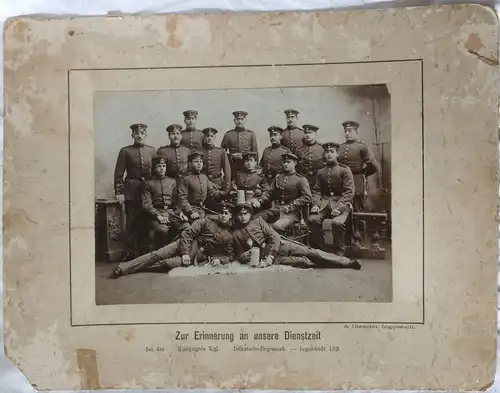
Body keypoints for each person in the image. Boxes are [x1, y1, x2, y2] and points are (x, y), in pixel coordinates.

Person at [109, 202, 235, 278]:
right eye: (221, 212)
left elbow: (229, 255)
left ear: (230, 216)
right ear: (218, 213)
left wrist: (218, 259)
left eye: (226, 213)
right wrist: (185, 252)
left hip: (194, 256)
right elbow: (187, 233)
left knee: (166, 264)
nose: (223, 215)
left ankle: (136, 267)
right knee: (156, 255)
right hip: (182, 244)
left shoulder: (229, 235)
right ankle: (123, 268)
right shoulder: (206, 221)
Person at [231, 203, 361, 269]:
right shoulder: (236, 234)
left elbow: (274, 237)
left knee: (311, 252)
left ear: (250, 214)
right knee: (304, 262)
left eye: (246, 214)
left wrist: (270, 255)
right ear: (236, 216)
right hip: (272, 259)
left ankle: (347, 263)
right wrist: (244, 256)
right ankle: (332, 264)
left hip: (281, 247)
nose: (243, 217)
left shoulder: (258, 221)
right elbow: (239, 254)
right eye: (240, 214)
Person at [113, 123, 157, 260]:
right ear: (132, 135)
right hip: (131, 190)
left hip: (147, 191)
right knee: (131, 221)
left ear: (146, 135)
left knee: (146, 220)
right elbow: (118, 174)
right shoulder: (125, 151)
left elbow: (156, 173)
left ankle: (144, 251)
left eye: (142, 133)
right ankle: (130, 252)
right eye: (137, 133)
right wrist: (119, 192)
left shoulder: (152, 151)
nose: (140, 135)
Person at [308, 142, 355, 254]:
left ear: (337, 154)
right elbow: (317, 190)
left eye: (332, 152)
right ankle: (322, 249)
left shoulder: (344, 170)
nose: (329, 154)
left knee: (337, 223)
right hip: (324, 203)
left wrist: (339, 207)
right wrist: (316, 204)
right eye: (327, 152)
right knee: (313, 220)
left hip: (341, 203)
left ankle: (339, 250)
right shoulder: (321, 171)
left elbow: (349, 192)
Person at [252, 152, 312, 233]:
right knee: (255, 220)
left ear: (295, 163)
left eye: (288, 162)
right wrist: (261, 201)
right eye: (284, 162)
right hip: (276, 209)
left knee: (277, 226)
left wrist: (291, 206)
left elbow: (307, 197)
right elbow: (270, 193)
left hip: (291, 213)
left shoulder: (301, 179)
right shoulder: (278, 177)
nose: (285, 164)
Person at [177, 151, 229, 225]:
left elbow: (212, 192)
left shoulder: (204, 177)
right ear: (190, 163)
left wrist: (225, 193)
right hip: (190, 211)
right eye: (196, 161)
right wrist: (191, 211)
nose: (199, 163)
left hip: (202, 209)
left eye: (200, 161)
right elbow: (182, 199)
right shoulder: (185, 179)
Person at [337, 120, 378, 212]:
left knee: (357, 207)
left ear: (357, 132)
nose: (347, 133)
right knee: (341, 207)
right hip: (341, 181)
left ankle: (358, 226)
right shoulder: (340, 147)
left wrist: (362, 173)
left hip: (356, 180)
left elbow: (373, 166)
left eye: (350, 131)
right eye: (345, 131)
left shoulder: (362, 147)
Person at [141, 155, 180, 249]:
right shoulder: (148, 183)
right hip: (155, 215)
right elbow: (147, 205)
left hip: (171, 213)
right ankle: (159, 252)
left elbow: (177, 202)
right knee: (162, 230)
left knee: (186, 226)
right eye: (159, 166)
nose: (162, 169)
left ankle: (177, 250)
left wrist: (180, 212)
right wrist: (158, 216)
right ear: (154, 168)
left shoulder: (172, 182)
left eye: (164, 166)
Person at [220, 110, 258, 178]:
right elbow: (221, 153)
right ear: (234, 120)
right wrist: (231, 156)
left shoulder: (251, 134)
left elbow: (255, 153)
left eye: (242, 119)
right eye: (237, 119)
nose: (239, 121)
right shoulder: (228, 135)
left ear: (246, 120)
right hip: (232, 167)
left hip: (247, 167)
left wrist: (255, 169)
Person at [200, 127, 231, 193]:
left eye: (212, 136)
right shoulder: (199, 151)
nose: (209, 138)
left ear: (215, 137)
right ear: (204, 137)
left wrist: (227, 189)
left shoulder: (221, 152)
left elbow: (227, 171)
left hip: (217, 184)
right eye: (207, 136)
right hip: (202, 182)